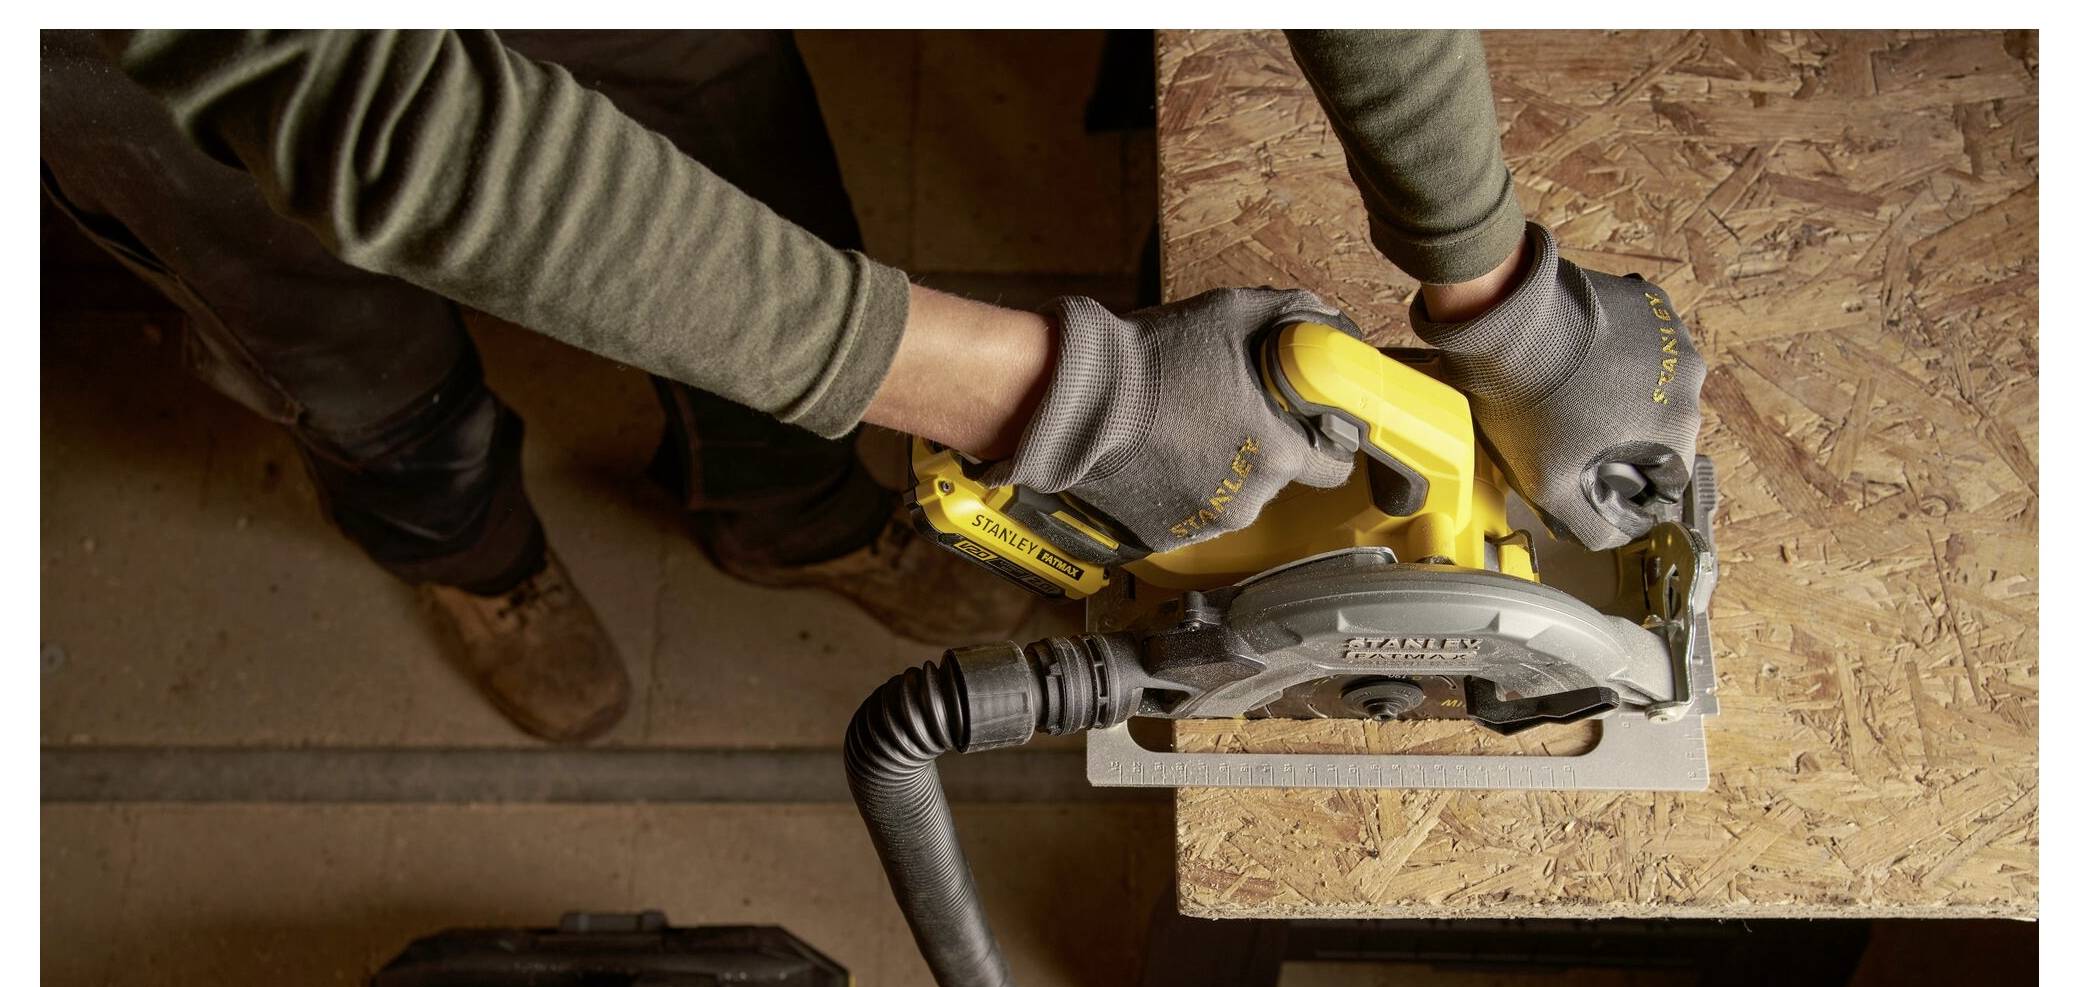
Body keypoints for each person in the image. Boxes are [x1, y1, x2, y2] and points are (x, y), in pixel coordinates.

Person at [40, 29, 1704, 744]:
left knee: (738, 201)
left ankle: (787, 517)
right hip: (203, 56)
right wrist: (1059, 403)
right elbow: (374, 108)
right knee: (336, 328)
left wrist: (1499, 289)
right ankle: (477, 556)